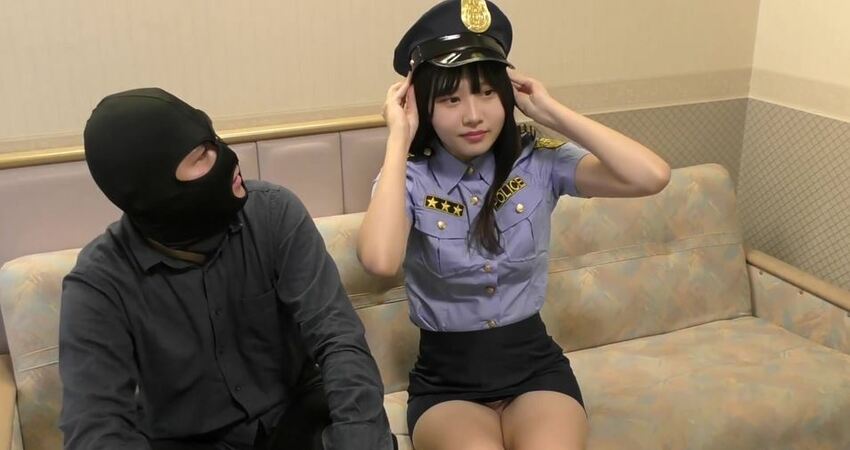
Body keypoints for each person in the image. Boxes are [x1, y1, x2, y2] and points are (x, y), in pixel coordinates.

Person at [357, 1, 671, 449]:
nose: (473, 114)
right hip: (448, 385)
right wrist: (398, 138)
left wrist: (551, 111)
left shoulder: (537, 161)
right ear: (423, 106)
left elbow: (651, 176)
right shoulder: (408, 178)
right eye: (450, 99)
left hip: (535, 370)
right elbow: (379, 260)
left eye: (487, 93)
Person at [59, 88, 396, 450]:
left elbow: (338, 338)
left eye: (214, 141)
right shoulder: (98, 284)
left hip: (298, 416)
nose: (227, 159)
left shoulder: (273, 213)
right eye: (200, 157)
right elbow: (95, 428)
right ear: (154, 190)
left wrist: (359, 440)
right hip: (187, 440)